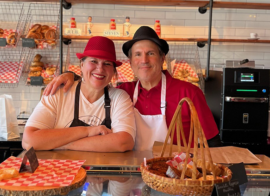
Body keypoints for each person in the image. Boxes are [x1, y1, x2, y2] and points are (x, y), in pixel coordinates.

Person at [43, 26, 222, 151]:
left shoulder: (189, 93)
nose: (144, 60)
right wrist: (70, 75)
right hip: (132, 175)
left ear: (162, 59)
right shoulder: (123, 92)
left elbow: (213, 143)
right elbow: (95, 81)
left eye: (150, 53)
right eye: (138, 54)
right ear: (130, 62)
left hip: (175, 178)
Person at [23, 36, 136, 152]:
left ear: (113, 71)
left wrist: (58, 144)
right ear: (82, 65)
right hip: (60, 169)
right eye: (93, 61)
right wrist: (87, 131)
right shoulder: (58, 93)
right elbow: (29, 141)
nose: (100, 69)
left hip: (100, 170)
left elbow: (124, 142)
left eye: (107, 64)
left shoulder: (119, 97)